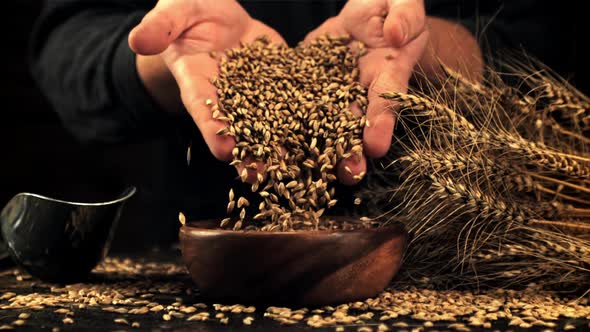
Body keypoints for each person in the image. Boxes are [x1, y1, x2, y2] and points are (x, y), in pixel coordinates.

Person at [29, 0, 577, 243]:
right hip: (180, 262)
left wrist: (432, 52)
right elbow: (65, 39)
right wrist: (158, 57)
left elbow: (558, 40)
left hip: (466, 243)